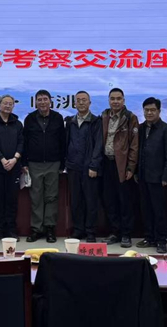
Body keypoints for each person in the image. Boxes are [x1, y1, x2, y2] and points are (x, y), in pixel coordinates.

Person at [23, 90, 66, 244]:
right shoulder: (29, 118)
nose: (42, 102)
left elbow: (62, 141)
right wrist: (24, 163)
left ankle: (50, 228)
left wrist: (63, 163)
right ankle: (36, 229)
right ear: (35, 102)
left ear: (50, 101)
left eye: (45, 99)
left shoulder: (57, 118)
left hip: (53, 163)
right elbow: (25, 141)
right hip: (34, 163)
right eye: (39, 100)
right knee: (36, 197)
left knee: (51, 197)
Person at [100, 88, 139, 248]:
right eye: (113, 98)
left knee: (125, 201)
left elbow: (134, 144)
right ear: (109, 100)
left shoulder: (130, 117)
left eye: (118, 98)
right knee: (110, 200)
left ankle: (126, 234)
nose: (115, 101)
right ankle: (114, 232)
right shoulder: (104, 116)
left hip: (122, 164)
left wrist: (131, 167)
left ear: (123, 100)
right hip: (106, 163)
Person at [64, 90, 103, 243]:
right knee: (76, 200)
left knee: (90, 200)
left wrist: (94, 165)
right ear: (74, 103)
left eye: (84, 100)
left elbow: (98, 145)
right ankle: (78, 229)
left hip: (89, 168)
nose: (81, 102)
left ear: (89, 103)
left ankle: (90, 231)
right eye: (78, 100)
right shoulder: (70, 122)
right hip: (73, 167)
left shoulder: (96, 121)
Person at [0, 95, 24, 242]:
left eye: (10, 104)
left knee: (12, 200)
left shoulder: (17, 124)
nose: (7, 106)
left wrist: (15, 159)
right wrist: (2, 159)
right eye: (5, 103)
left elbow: (21, 142)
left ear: (13, 106)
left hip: (14, 167)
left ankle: (11, 231)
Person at [135, 97, 167, 254]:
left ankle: (161, 240)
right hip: (143, 176)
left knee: (159, 210)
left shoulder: (166, 129)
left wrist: (166, 176)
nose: (149, 113)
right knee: (146, 209)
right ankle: (149, 237)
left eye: (152, 110)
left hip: (158, 177)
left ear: (159, 111)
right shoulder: (140, 128)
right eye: (146, 110)